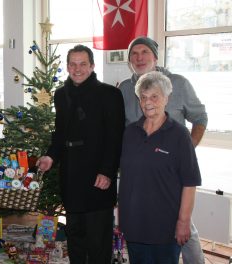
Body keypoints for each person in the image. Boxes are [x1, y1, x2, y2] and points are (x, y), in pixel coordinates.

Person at [119, 36, 208, 264]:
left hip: (170, 169)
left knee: (184, 227)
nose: (139, 58)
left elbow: (199, 117)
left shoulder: (179, 83)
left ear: (155, 57)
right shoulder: (125, 89)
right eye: (134, 54)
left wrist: (187, 150)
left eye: (144, 52)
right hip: (141, 172)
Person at [37, 45, 125, 263]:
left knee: (97, 241)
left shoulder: (110, 94)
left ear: (92, 65)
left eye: (83, 64)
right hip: (71, 177)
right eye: (73, 64)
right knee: (74, 236)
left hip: (98, 178)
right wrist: (50, 156)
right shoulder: (61, 95)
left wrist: (107, 172)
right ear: (67, 66)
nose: (77, 69)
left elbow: (115, 139)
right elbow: (60, 134)